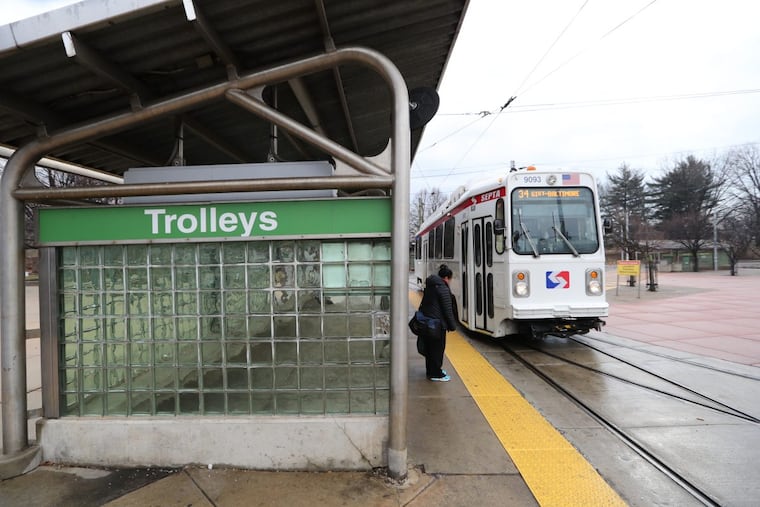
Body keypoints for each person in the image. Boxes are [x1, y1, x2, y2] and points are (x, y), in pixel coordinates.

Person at [418, 264, 457, 382]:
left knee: (430, 350)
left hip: (428, 323)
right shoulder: (443, 288)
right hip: (437, 325)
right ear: (446, 278)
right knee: (437, 350)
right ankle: (436, 374)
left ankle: (431, 371)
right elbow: (447, 309)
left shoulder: (430, 286)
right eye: (450, 279)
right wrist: (452, 326)